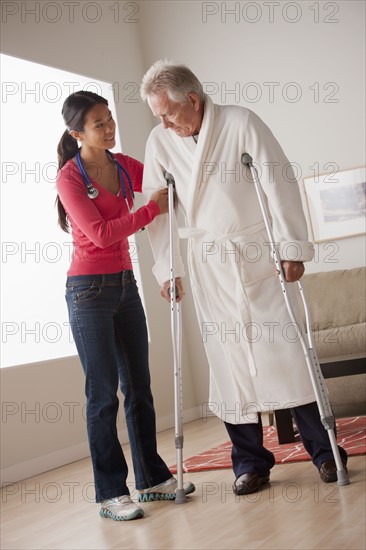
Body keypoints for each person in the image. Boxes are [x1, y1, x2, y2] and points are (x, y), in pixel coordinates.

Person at [140, 61, 348, 495]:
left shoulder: (240, 123)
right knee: (229, 363)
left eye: (168, 113)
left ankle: (327, 452)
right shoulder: (160, 142)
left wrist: (292, 246)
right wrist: (168, 269)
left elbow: (278, 181)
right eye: (157, 115)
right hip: (209, 266)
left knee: (290, 355)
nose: (162, 123)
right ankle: (250, 462)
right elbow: (159, 209)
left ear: (192, 99)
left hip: (256, 258)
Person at [56, 90, 195, 521]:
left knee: (139, 386)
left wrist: (181, 134)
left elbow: (162, 177)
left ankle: (151, 479)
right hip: (88, 292)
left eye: (111, 119)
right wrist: (149, 210)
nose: (110, 128)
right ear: (78, 133)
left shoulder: (122, 164)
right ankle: (111, 494)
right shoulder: (69, 177)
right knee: (102, 396)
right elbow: (101, 234)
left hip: (124, 285)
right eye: (100, 124)